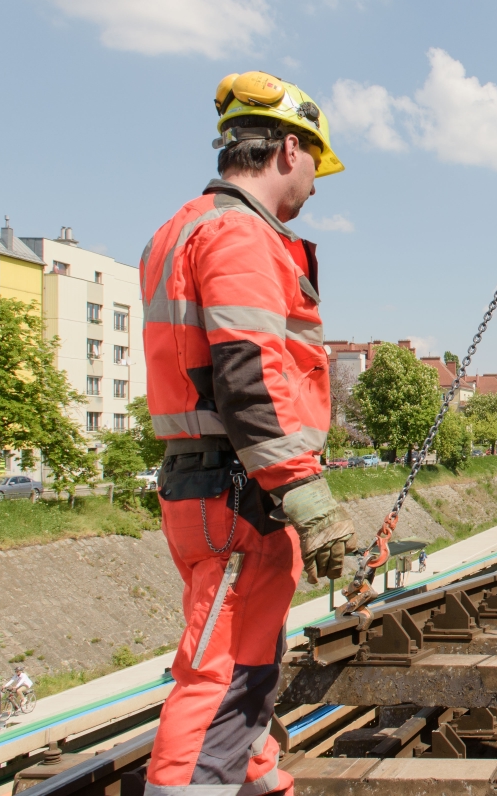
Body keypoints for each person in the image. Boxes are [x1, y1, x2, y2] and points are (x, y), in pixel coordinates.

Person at [141, 71, 357, 796]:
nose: (316, 189)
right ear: (288, 149)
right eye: (316, 168)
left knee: (248, 660)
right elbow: (248, 378)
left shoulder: (180, 228)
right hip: (242, 493)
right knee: (223, 677)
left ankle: (259, 780)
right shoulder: (240, 235)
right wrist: (306, 495)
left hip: (206, 486)